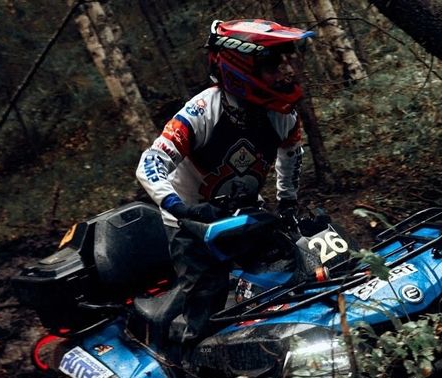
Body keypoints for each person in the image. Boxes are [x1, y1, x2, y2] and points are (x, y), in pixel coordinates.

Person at [135, 19, 314, 348]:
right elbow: (151, 161)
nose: (286, 72)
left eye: (288, 62)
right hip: (191, 223)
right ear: (241, 67)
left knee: (296, 271)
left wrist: (287, 203)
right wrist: (180, 209)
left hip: (244, 213)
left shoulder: (282, 114)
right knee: (208, 303)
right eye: (274, 65)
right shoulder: (202, 111)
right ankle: (192, 363)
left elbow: (291, 154)